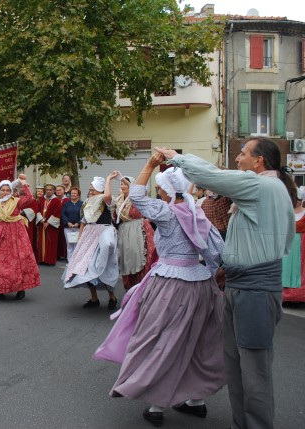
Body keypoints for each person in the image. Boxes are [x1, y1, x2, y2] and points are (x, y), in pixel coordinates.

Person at [156, 138, 295, 429]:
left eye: (243, 154)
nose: (238, 159)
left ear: (259, 161)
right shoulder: (265, 188)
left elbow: (212, 176)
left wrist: (175, 157)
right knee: (236, 364)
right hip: (241, 284)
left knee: (253, 369)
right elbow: (252, 239)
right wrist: (227, 268)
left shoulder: (262, 185)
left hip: (254, 290)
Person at [95, 155, 225, 427]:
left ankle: (156, 405)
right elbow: (216, 253)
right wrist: (209, 275)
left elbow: (137, 197)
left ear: (166, 189)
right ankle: (196, 401)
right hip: (200, 283)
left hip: (170, 284)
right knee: (196, 339)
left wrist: (149, 165)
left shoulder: (168, 213)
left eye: (161, 186)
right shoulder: (197, 213)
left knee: (160, 339)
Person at [62, 176, 119, 310]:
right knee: (85, 267)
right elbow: (83, 221)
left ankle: (112, 297)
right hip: (89, 235)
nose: (91, 192)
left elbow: (108, 195)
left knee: (103, 266)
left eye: (93, 189)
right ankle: (94, 298)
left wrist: (109, 179)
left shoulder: (105, 200)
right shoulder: (87, 202)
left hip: (103, 233)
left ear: (100, 190)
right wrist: (80, 240)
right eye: (90, 189)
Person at [0, 175, 41, 300]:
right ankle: (0, 290)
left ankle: (20, 289)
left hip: (17, 236)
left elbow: (30, 198)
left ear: (11, 191)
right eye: (3, 190)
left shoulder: (16, 201)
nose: (5, 192)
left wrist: (23, 184)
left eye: (8, 190)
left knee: (18, 262)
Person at [110, 175, 157, 290]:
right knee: (127, 260)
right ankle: (131, 288)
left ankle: (143, 288)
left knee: (140, 257)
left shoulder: (136, 198)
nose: (123, 186)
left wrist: (122, 178)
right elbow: (116, 218)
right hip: (124, 230)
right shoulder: (119, 200)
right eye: (121, 184)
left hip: (138, 229)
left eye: (125, 184)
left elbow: (137, 191)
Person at [282, 186, 305, 303]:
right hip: (285, 244)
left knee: (299, 270)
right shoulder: (285, 212)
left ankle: (298, 295)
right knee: (284, 268)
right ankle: (284, 295)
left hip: (301, 246)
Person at [36, 184, 61, 265]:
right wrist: (41, 220)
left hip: (51, 226)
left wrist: (48, 222)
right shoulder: (42, 199)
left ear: (53, 191)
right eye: (47, 190)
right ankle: (41, 259)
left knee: (51, 242)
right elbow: (38, 209)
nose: (48, 191)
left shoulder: (56, 200)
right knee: (41, 241)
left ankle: (49, 260)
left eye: (50, 190)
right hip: (42, 223)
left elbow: (57, 212)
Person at [60, 187, 83, 261]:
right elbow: (63, 214)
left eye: (75, 193)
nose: (73, 194)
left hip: (79, 228)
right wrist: (67, 222)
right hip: (68, 228)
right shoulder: (66, 204)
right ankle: (70, 260)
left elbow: (84, 215)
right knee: (69, 244)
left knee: (77, 245)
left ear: (78, 195)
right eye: (72, 193)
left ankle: (76, 261)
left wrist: (78, 223)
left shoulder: (82, 204)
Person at [55, 185, 69, 260]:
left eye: (60, 190)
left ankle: (65, 254)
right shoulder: (53, 199)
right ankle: (57, 254)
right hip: (55, 221)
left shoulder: (67, 200)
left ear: (64, 191)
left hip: (64, 222)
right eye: (57, 190)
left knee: (64, 238)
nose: (58, 191)